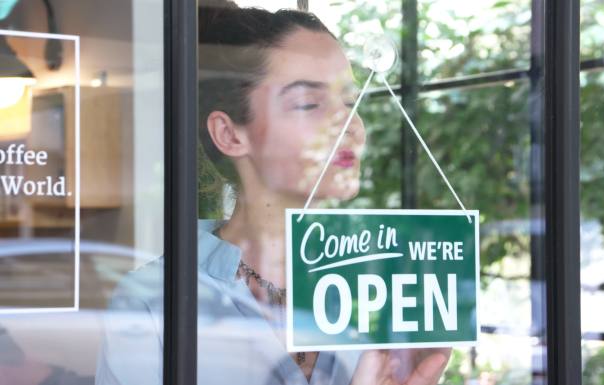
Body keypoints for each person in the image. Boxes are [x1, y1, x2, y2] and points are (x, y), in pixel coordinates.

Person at [96, 4, 449, 385]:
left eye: (350, 100)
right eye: (310, 104)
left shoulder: (382, 290)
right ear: (230, 134)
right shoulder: (154, 303)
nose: (349, 124)